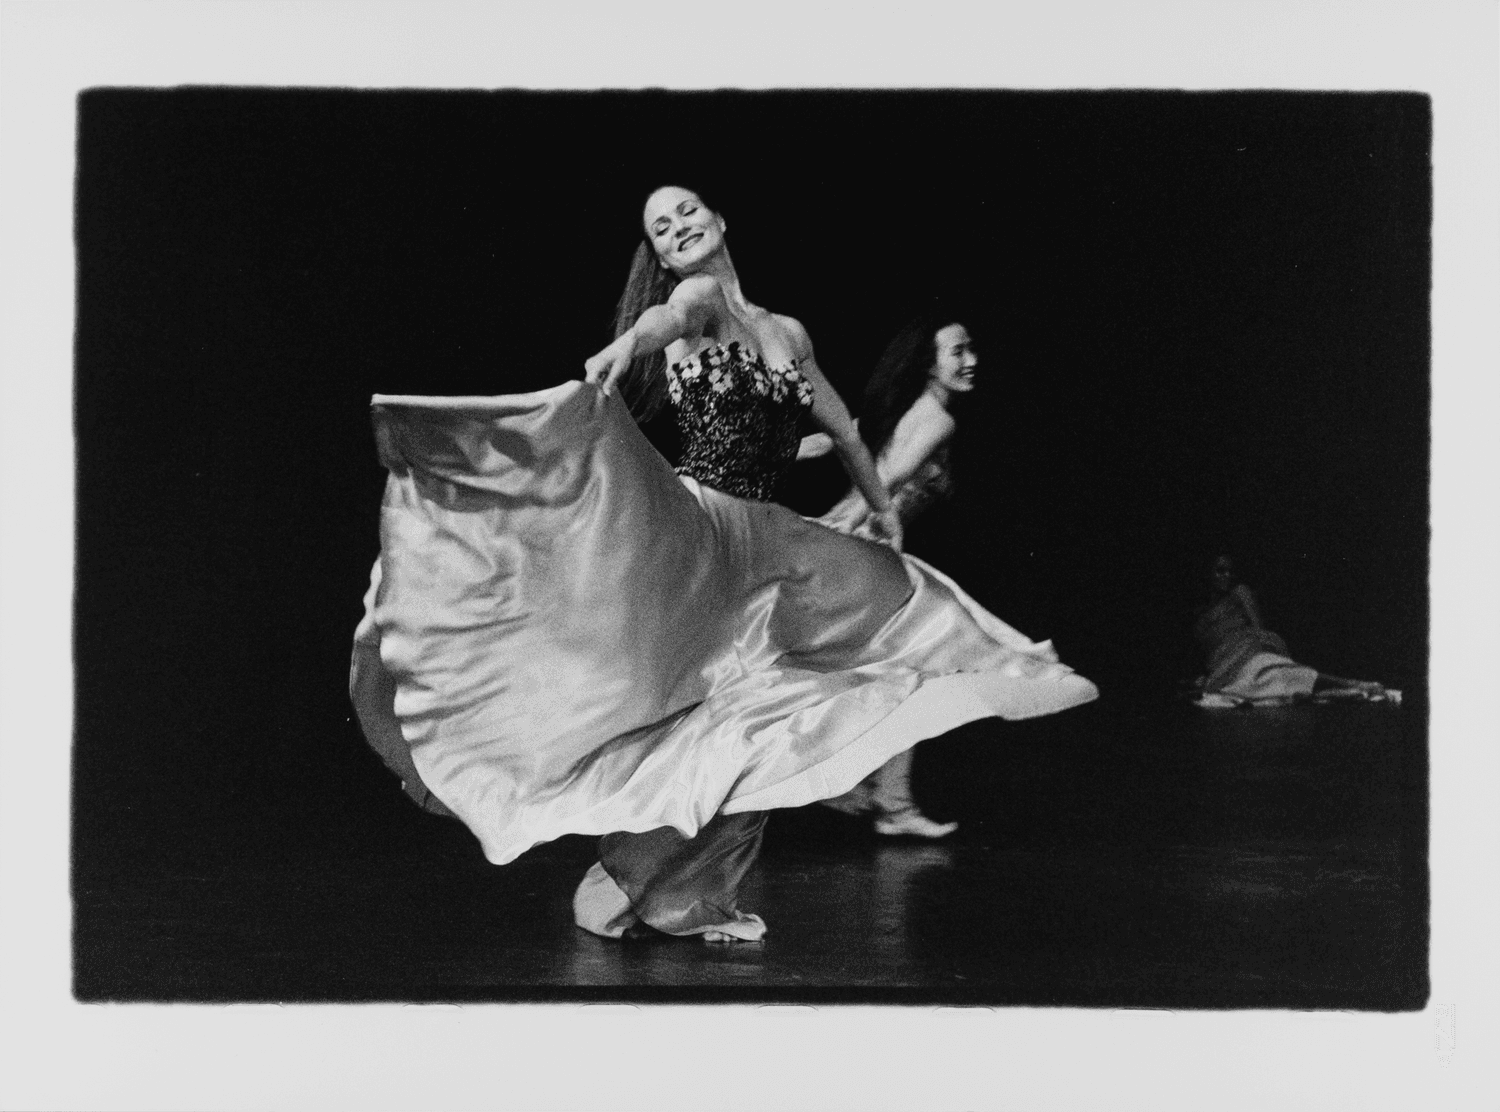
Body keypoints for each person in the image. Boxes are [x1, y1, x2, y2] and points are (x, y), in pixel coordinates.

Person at [350, 186, 1098, 947]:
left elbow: (841, 427)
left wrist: (884, 505)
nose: (677, 229)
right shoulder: (699, 297)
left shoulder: (786, 331)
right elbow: (662, 320)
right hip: (705, 530)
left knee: (796, 690)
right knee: (717, 709)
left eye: (686, 212)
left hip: (770, 542)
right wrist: (626, 347)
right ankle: (654, 882)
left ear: (720, 219)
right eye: (660, 228)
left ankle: (659, 886)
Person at [798, 313, 980, 838]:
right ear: (930, 363)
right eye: (958, 351)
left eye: (971, 349)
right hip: (868, 556)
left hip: (865, 550)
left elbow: (837, 441)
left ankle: (883, 798)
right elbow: (886, 477)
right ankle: (864, 793)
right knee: (901, 675)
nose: (970, 361)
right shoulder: (937, 419)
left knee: (901, 677)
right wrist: (837, 538)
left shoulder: (908, 410)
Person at [1193, 555, 1393, 705]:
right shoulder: (1200, 614)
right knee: (1272, 690)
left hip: (1250, 654)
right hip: (1223, 666)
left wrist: (1256, 650)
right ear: (1208, 573)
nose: (1227, 576)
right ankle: (1351, 691)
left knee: (1286, 675)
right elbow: (1208, 649)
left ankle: (1355, 684)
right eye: (1220, 571)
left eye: (1230, 571)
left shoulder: (1239, 593)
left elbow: (1259, 629)